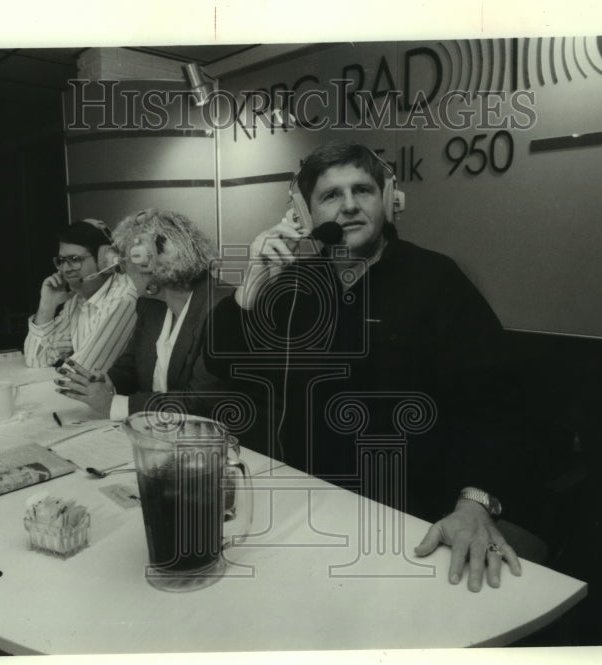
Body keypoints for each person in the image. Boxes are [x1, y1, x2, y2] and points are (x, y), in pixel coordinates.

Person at [204, 142, 546, 592]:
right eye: (330, 196)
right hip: (312, 511)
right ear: (305, 216)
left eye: (362, 190)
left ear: (386, 200)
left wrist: (474, 502)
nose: (348, 206)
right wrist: (249, 289)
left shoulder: (437, 279)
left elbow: (497, 406)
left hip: (414, 516)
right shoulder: (293, 285)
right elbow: (224, 361)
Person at [55, 209, 237, 423]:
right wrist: (110, 383)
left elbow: (202, 402)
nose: (121, 270)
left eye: (125, 258)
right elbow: (131, 365)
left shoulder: (223, 309)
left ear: (148, 260)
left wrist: (115, 405)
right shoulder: (151, 306)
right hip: (161, 434)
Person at [23, 219, 138, 377]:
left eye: (75, 260)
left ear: (106, 260)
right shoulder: (76, 299)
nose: (65, 269)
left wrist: (57, 355)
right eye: (61, 261)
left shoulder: (124, 297)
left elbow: (83, 373)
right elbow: (35, 359)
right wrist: (46, 306)